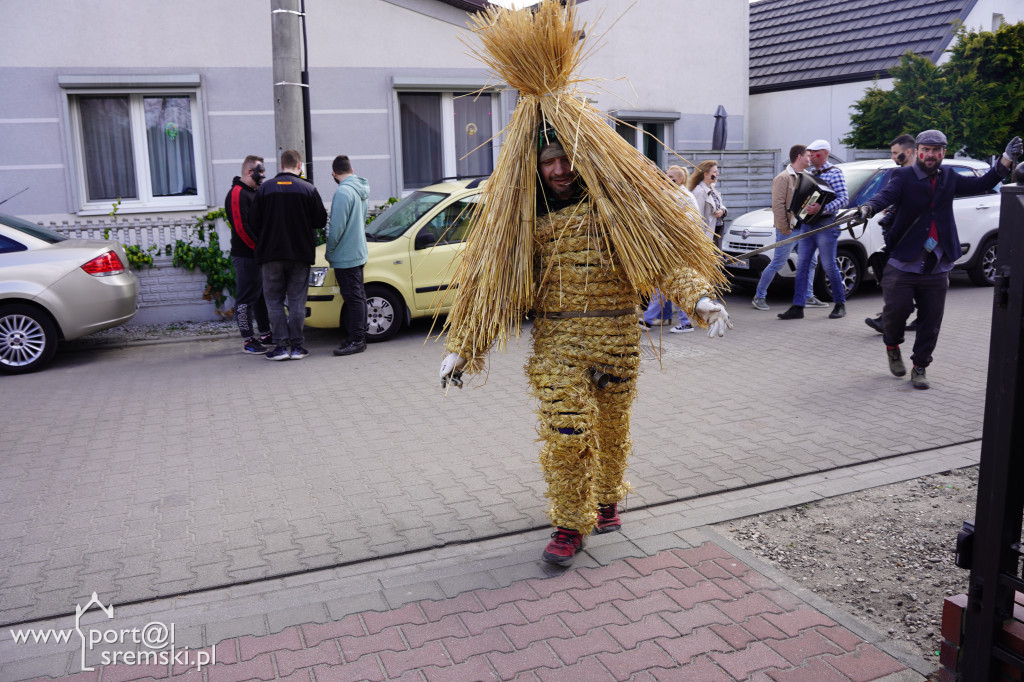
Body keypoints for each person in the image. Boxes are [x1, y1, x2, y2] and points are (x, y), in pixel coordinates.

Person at [440, 133, 732, 566]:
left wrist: (700, 300)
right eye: (549, 162)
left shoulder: (619, 213)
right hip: (557, 342)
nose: (559, 170)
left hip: (616, 339)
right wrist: (463, 348)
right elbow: (496, 291)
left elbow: (666, 263)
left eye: (566, 160)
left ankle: (607, 496)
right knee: (566, 431)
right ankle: (570, 524)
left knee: (612, 429)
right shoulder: (525, 222)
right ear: (536, 168)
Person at [858, 130, 1021, 389]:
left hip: (938, 263)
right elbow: (885, 196)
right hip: (903, 261)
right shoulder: (903, 176)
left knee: (931, 320)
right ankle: (892, 345)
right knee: (896, 312)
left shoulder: (949, 176)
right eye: (926, 150)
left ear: (943, 152)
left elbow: (983, 183)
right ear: (917, 151)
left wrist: (1006, 159)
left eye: (936, 150)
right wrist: (867, 208)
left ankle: (920, 367)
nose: (931, 154)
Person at [248, 149, 328, 361]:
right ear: (299, 166)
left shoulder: (265, 189)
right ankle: (298, 346)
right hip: (300, 254)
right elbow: (320, 220)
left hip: (271, 254)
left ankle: (281, 347)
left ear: (281, 166)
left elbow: (253, 221)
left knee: (273, 300)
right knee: (297, 300)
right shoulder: (308, 189)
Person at [777, 139, 849, 320]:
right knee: (802, 266)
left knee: (829, 265)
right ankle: (798, 306)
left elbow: (844, 199)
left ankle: (840, 304)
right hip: (808, 224)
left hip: (826, 224)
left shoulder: (835, 173)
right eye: (809, 153)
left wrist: (822, 209)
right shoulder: (809, 174)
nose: (810, 156)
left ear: (825, 153)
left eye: (814, 153)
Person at [751, 145, 825, 311]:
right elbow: (777, 205)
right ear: (799, 156)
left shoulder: (808, 176)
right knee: (777, 263)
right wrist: (784, 228)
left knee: (811, 262)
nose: (811, 158)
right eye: (808, 155)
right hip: (789, 230)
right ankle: (759, 296)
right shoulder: (783, 178)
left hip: (804, 229)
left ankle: (808, 296)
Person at [865, 134, 918, 333]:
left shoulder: (923, 174)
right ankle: (894, 317)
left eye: (896, 153)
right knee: (887, 270)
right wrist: (875, 208)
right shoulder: (901, 174)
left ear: (909, 152)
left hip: (917, 239)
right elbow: (888, 195)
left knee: (897, 277)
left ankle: (891, 319)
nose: (893, 157)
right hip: (900, 237)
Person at [640, 165, 698, 333]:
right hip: (671, 245)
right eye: (666, 175)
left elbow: (689, 221)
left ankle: (682, 322)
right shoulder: (672, 193)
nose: (668, 178)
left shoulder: (683, 196)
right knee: (666, 284)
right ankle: (651, 320)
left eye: (672, 176)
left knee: (671, 283)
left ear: (680, 179)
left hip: (678, 246)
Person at [224, 155, 273, 354]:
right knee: (245, 299)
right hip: (245, 256)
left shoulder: (254, 192)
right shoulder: (237, 193)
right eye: (260, 173)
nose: (262, 177)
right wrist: (259, 249)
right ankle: (248, 340)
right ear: (248, 172)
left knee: (260, 296)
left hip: (257, 254)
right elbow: (241, 228)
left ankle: (265, 333)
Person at [326, 155, 371, 357]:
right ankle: (358, 337)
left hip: (345, 254)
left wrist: (329, 250)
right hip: (358, 251)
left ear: (334, 174)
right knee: (358, 296)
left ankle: (357, 340)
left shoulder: (343, 192)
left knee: (353, 298)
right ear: (351, 170)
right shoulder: (361, 189)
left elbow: (336, 227)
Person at [688, 160, 727, 244]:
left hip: (716, 232)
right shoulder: (699, 192)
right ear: (705, 174)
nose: (717, 174)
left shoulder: (712, 188)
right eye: (715, 172)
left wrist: (722, 211)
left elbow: (719, 204)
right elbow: (698, 217)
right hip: (707, 236)